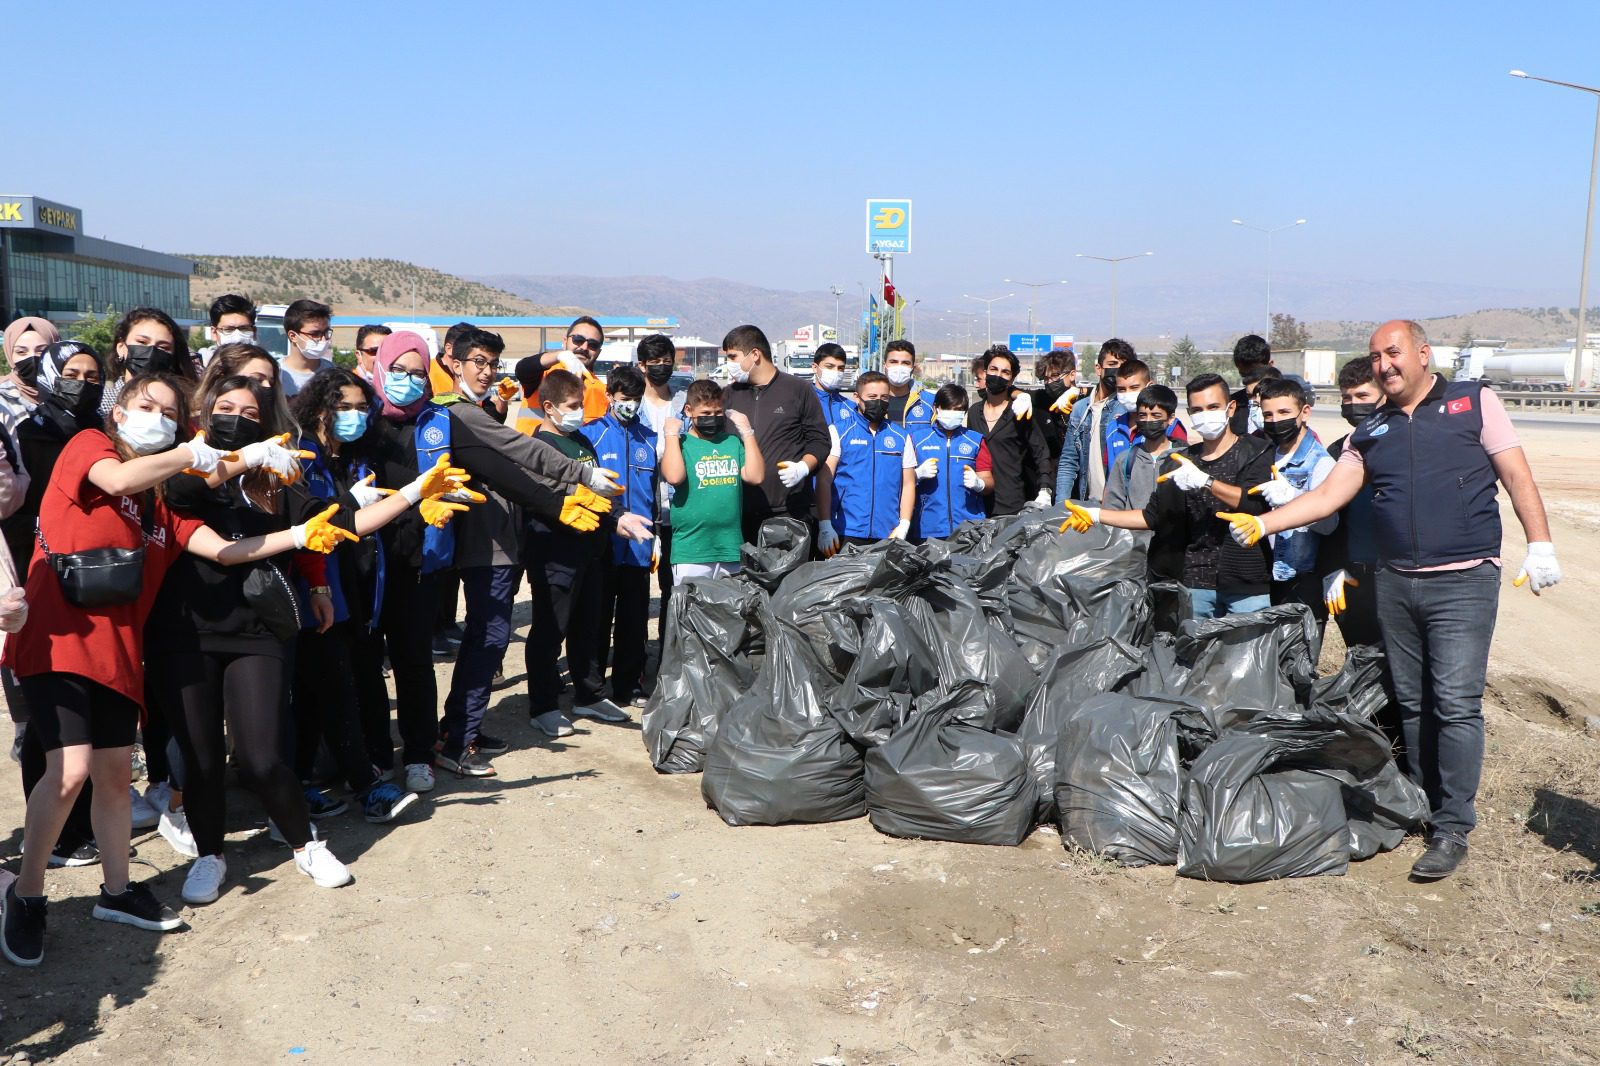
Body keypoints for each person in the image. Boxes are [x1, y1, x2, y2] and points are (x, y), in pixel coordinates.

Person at [0, 373, 365, 967]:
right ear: (119, 412)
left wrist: (299, 533)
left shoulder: (158, 502)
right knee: (68, 774)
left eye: (170, 414)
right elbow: (121, 476)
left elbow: (222, 548)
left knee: (115, 777)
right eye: (147, 407)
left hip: (117, 651)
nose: (159, 419)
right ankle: (28, 892)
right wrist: (199, 450)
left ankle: (116, 891)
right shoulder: (90, 447)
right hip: (59, 639)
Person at [1219, 320, 1562, 880]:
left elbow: (1516, 474)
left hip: (1463, 579)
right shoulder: (1370, 432)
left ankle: (1453, 827)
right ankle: (1423, 802)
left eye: (1393, 352)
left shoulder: (1473, 403)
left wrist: (1540, 543)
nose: (1384, 364)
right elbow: (1330, 495)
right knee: (1411, 700)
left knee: (1453, 701)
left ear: (1424, 354)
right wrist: (1265, 523)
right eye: (1376, 356)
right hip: (1396, 581)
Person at [150, 371, 450, 906]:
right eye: (227, 410)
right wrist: (251, 454)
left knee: (263, 757)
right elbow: (185, 492)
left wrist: (411, 493)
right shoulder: (186, 459)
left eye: (250, 416)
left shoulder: (280, 478)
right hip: (186, 630)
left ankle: (303, 843)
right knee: (199, 760)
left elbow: (342, 524)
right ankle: (209, 856)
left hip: (259, 629)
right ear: (205, 410)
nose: (236, 421)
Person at [424, 329, 621, 776]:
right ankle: (457, 742)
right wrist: (578, 480)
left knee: (486, 641)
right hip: (484, 545)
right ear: (452, 361)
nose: (486, 371)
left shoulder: (477, 410)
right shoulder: (458, 413)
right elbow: (517, 453)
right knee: (489, 639)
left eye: (493, 364)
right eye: (478, 361)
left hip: (500, 542)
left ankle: (461, 729)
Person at [288, 368, 432, 823]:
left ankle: (300, 787)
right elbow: (331, 525)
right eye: (342, 407)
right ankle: (366, 786)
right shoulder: (305, 455)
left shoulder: (338, 456)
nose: (353, 416)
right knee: (334, 690)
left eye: (359, 408)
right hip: (311, 591)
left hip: (335, 590)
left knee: (315, 697)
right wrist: (411, 494)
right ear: (318, 408)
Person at [1058, 373, 1275, 618]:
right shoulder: (1179, 463)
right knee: (1194, 653)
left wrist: (1206, 481)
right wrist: (1096, 514)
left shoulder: (1256, 452)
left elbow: (1254, 505)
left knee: (1244, 654)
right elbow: (1152, 516)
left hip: (1245, 583)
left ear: (1231, 407)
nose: (1205, 415)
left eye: (1213, 407)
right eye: (1197, 409)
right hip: (1195, 582)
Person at [2, 342, 103, 868]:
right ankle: (54, 834)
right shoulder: (30, 433)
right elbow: (20, 512)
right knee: (45, 719)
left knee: (85, 714)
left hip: (96, 588)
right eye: (70, 372)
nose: (82, 382)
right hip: (39, 581)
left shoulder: (104, 436)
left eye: (91, 374)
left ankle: (83, 827)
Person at [524, 370, 653, 736]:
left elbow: (599, 490)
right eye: (572, 406)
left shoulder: (580, 440)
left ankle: (589, 693)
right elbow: (543, 498)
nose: (579, 411)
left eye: (581, 404)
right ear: (548, 407)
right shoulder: (540, 446)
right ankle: (544, 704)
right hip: (555, 554)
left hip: (591, 551)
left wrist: (618, 518)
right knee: (551, 631)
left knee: (588, 628)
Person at [351, 332, 447, 792]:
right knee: (366, 663)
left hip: (416, 561)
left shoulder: (440, 421)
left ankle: (418, 754)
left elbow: (496, 464)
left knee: (413, 660)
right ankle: (372, 753)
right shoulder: (359, 419)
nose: (407, 380)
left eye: (417, 372)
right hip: (363, 563)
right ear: (380, 367)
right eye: (398, 370)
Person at [720, 325, 829, 544]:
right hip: (740, 513)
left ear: (755, 355)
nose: (728, 364)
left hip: (789, 512)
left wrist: (803, 467)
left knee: (787, 578)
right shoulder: (729, 395)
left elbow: (820, 440)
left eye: (732, 357)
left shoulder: (798, 389)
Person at [589, 365, 659, 708]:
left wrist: (656, 535)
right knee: (597, 617)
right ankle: (592, 686)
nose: (630, 404)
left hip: (638, 548)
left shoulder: (650, 438)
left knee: (633, 621)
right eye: (623, 398)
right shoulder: (592, 435)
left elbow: (657, 492)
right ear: (609, 397)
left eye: (635, 399)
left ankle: (628, 686)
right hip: (603, 545)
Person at [1251, 377, 1337, 654]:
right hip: (1265, 575)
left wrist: (1295, 500)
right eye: (1268, 414)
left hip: (1300, 578)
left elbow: (1329, 524)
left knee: (1296, 663)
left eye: (1284, 413)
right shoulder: (1263, 455)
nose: (1276, 421)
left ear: (1304, 412)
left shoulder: (1320, 463)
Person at [660, 380, 763, 584]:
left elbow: (755, 476)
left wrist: (748, 433)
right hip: (692, 550)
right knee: (691, 613)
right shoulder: (682, 444)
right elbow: (674, 477)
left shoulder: (731, 442)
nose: (712, 419)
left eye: (717, 413)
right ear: (689, 410)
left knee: (729, 614)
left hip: (730, 548)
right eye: (706, 414)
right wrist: (670, 435)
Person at [1318, 357, 1385, 652]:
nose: (1353, 404)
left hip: (1395, 578)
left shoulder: (1404, 447)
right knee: (1360, 660)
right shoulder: (1336, 452)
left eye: (1362, 396)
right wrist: (1334, 567)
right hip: (1353, 579)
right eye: (1347, 398)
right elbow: (1330, 516)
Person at [818, 371, 913, 551]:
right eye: (872, 396)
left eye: (884, 397)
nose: (878, 402)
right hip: (846, 530)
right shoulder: (839, 431)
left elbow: (908, 484)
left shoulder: (901, 436)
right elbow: (824, 479)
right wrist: (825, 525)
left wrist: (904, 524)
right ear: (857, 397)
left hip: (888, 532)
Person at [635, 334, 685, 619]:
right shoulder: (633, 404)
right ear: (642, 365)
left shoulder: (682, 403)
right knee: (637, 588)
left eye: (667, 361)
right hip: (643, 508)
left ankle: (670, 651)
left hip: (677, 510)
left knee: (673, 586)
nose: (662, 367)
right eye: (655, 362)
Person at [967, 346, 1050, 517]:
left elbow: (1041, 453)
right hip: (976, 505)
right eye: (993, 369)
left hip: (1010, 506)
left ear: (1011, 380)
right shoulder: (974, 412)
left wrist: (1045, 489)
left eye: (1005, 372)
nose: (998, 375)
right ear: (985, 371)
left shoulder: (1020, 412)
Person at [902, 384, 992, 540]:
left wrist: (980, 484)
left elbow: (989, 481)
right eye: (948, 408)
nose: (953, 413)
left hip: (969, 528)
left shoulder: (975, 440)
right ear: (936, 408)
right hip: (927, 528)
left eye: (958, 410)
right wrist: (916, 475)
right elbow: (900, 481)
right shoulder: (917, 439)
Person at [1055, 338, 1131, 502]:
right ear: (1098, 368)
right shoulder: (1080, 409)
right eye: (1112, 364)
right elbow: (1069, 461)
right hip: (1088, 504)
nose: (1117, 370)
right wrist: (1061, 506)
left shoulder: (1127, 408)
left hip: (1119, 506)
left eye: (1123, 366)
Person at [512, 315, 609, 435]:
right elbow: (523, 369)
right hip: (532, 450)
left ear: (598, 352)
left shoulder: (601, 390)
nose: (584, 347)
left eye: (593, 344)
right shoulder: (544, 375)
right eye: (578, 339)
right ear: (565, 341)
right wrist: (559, 356)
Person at [1104, 383, 1182, 511]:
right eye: (1143, 415)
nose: (1148, 420)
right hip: (1131, 530)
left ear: (1171, 418)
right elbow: (1112, 506)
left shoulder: (1183, 458)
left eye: (1156, 416)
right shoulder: (1125, 460)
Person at [101, 308, 196, 413]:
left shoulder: (183, 406)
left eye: (163, 347)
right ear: (121, 347)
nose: (151, 351)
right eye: (142, 342)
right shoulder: (102, 404)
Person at [1, 317, 61, 431]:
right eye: (21, 352)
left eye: (41, 350)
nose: (32, 357)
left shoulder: (70, 392)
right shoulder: (2, 397)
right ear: (9, 354)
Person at [1030, 349, 1078, 472]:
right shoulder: (1042, 400)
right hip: (1053, 474)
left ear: (1072, 375)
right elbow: (1013, 391)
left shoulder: (1084, 403)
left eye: (1055, 376)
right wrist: (1020, 396)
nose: (1050, 382)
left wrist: (1078, 392)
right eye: (1046, 378)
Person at [279, 299, 335, 398]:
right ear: (293, 336)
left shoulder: (333, 374)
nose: (323, 339)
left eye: (326, 332)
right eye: (315, 334)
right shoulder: (275, 374)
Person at [883, 340, 937, 425]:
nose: (899, 367)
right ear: (885, 365)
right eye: (893, 362)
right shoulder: (872, 400)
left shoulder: (930, 402)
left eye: (905, 363)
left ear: (913, 368)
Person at [195, 294, 257, 368]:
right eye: (228, 329)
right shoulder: (201, 368)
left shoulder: (264, 368)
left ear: (254, 332)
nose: (237, 337)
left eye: (244, 329)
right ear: (214, 333)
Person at [810, 342, 854, 431]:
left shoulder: (851, 407)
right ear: (815, 367)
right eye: (829, 367)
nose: (836, 372)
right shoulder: (803, 403)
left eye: (841, 368)